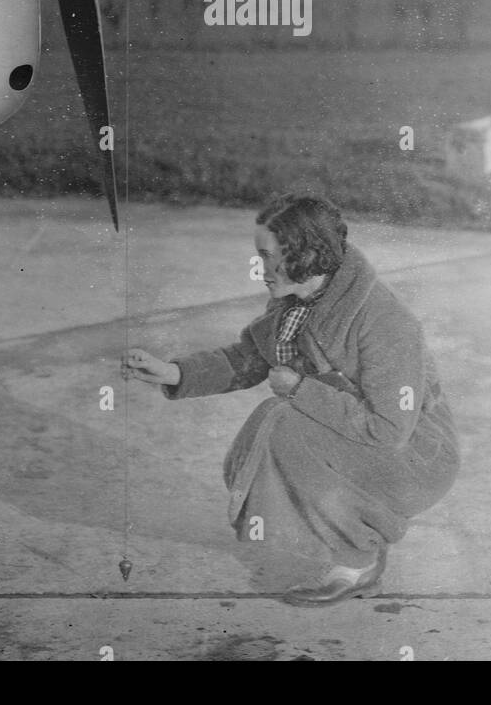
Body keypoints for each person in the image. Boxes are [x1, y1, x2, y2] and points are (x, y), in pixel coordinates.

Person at [121, 192, 460, 604]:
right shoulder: (296, 302)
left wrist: (301, 390)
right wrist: (173, 372)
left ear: (303, 253)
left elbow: (390, 428)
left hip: (417, 454)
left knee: (285, 424)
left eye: (267, 256)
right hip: (362, 437)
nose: (259, 269)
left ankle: (358, 561)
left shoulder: (384, 320)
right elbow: (248, 357)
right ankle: (350, 541)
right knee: (278, 422)